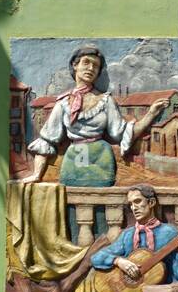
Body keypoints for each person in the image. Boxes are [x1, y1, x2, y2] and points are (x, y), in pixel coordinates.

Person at [23, 44, 168, 188]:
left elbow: (122, 134)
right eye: (86, 62)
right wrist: (37, 175)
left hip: (101, 159)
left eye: (96, 66)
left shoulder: (105, 101)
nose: (91, 68)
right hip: (73, 161)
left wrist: (151, 113)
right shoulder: (63, 103)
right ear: (75, 65)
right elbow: (47, 140)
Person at [86, 184, 178, 292]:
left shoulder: (169, 233)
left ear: (151, 202)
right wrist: (119, 261)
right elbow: (96, 258)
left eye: (138, 201)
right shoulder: (128, 235)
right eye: (131, 204)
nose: (134, 208)